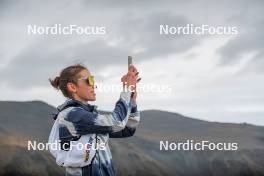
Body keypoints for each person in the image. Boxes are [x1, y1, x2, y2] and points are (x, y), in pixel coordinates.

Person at [48, 64, 140, 176]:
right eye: (89, 80)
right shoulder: (72, 115)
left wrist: (132, 100)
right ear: (72, 87)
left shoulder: (88, 116)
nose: (93, 85)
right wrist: (127, 89)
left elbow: (127, 129)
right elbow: (117, 122)